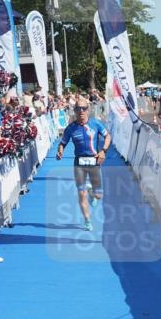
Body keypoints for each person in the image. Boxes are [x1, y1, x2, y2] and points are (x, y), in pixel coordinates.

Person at [56, 98, 111, 231]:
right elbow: (62, 143)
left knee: (98, 195)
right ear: (74, 110)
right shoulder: (71, 128)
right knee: (81, 193)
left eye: (84, 108)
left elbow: (108, 136)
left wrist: (103, 151)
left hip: (94, 161)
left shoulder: (95, 124)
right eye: (78, 108)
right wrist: (60, 152)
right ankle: (87, 220)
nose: (81, 111)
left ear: (88, 109)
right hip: (79, 163)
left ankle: (93, 193)